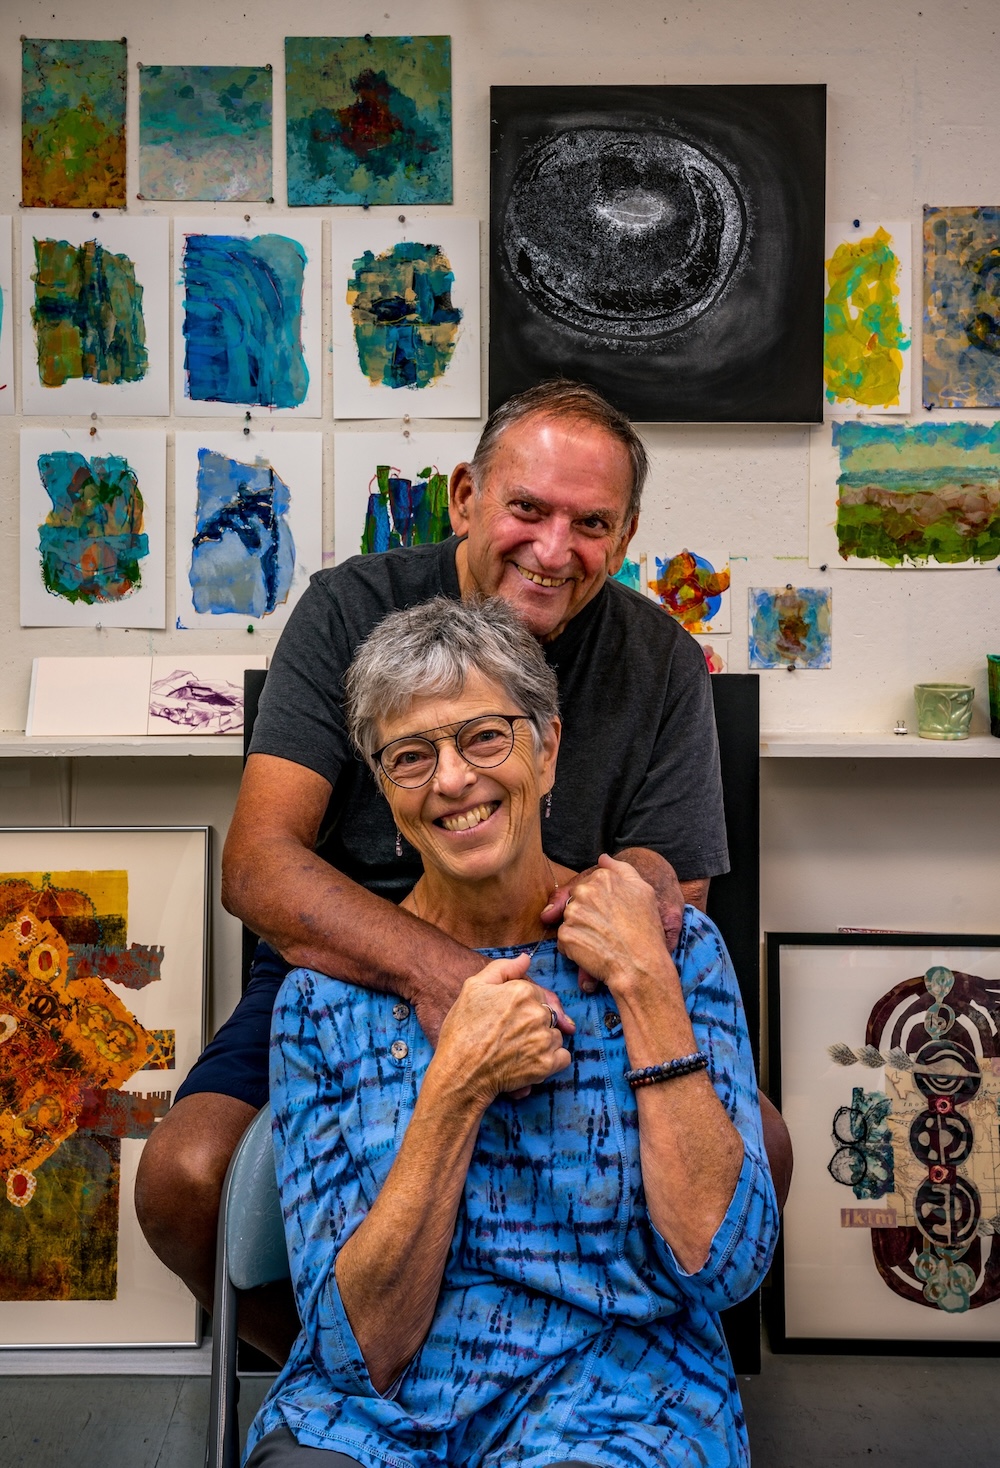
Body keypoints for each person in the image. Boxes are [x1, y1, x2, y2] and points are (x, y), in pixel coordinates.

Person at [136, 380, 786, 1364]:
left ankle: (578, 1365)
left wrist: (610, 905)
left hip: (563, 970)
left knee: (761, 1151)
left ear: (627, 531)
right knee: (185, 1177)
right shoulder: (345, 608)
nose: (554, 548)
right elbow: (261, 863)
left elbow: (671, 879)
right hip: (347, 963)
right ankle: (351, 1368)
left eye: (591, 523)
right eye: (528, 508)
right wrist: (443, 976)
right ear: (466, 497)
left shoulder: (658, 655)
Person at [244, 596, 778, 1468]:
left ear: (550, 748)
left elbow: (727, 1267)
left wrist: (643, 985)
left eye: (485, 737)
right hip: (385, 1413)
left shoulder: (674, 954)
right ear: (385, 789)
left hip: (621, 1396)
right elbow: (357, 1352)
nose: (451, 779)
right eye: (410, 756)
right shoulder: (320, 1005)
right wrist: (455, 1086)